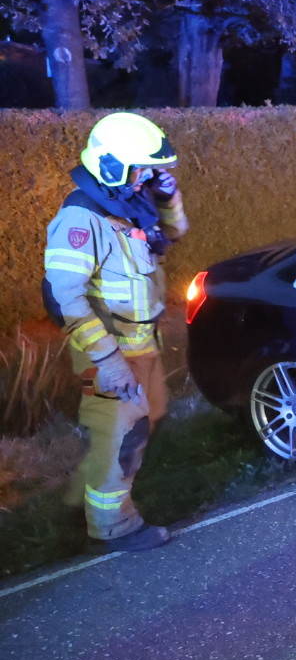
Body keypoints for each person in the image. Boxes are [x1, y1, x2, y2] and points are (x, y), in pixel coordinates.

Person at [43, 113, 188, 551]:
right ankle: (113, 527)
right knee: (124, 435)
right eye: (141, 168)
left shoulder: (130, 202)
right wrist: (107, 363)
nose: (148, 176)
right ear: (110, 166)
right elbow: (67, 297)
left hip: (142, 345)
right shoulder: (80, 220)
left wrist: (168, 197)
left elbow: (175, 231)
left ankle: (80, 500)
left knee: (150, 416)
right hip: (111, 353)